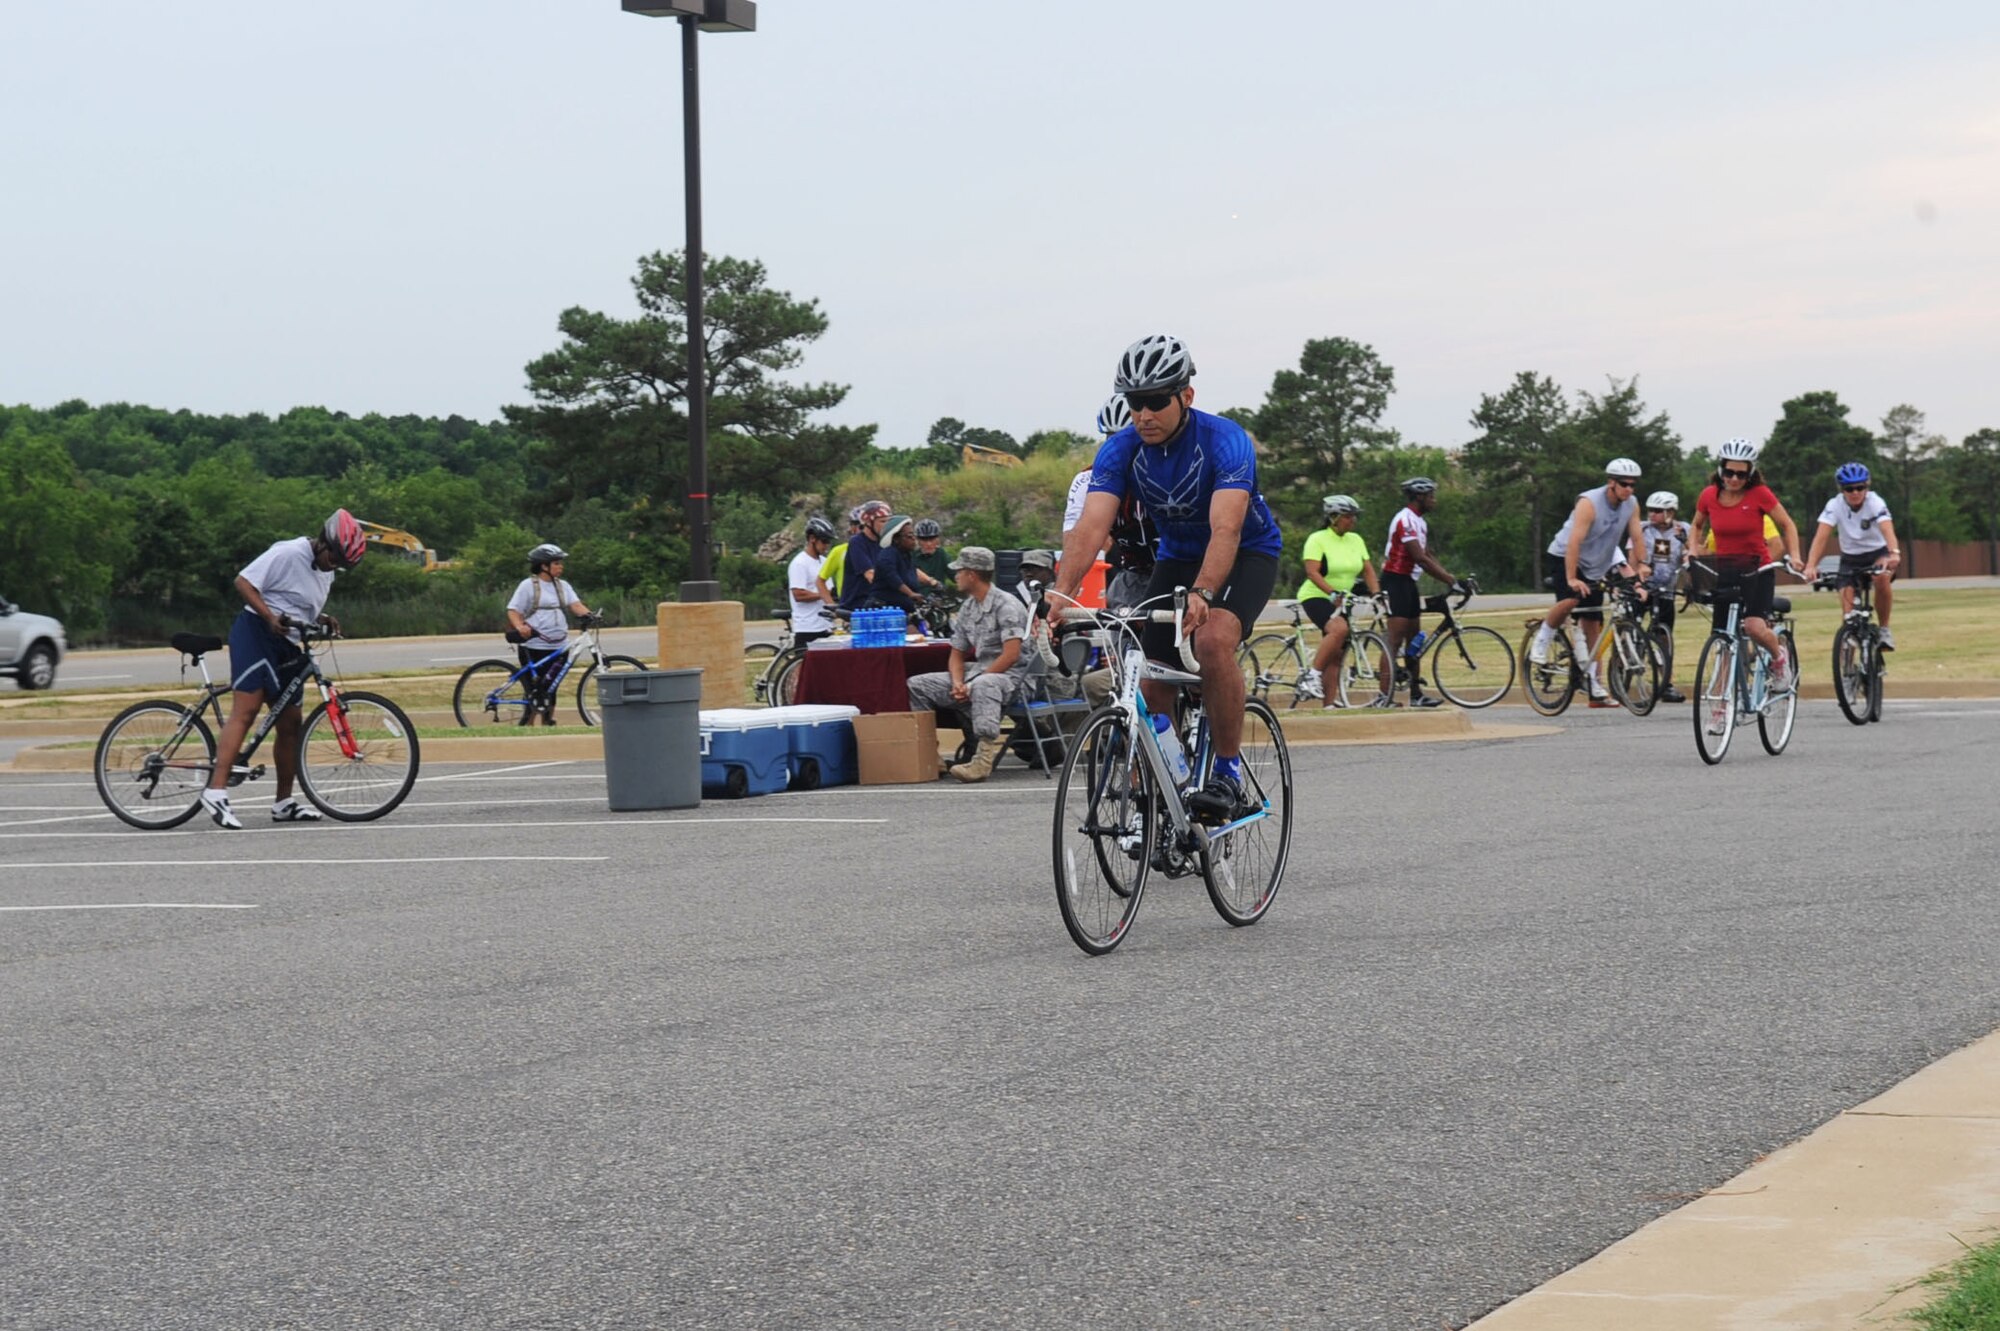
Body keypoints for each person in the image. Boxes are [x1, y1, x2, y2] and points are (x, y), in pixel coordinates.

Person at [1051, 333, 1283, 821]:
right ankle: (1176, 780)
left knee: (1214, 640)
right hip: (1176, 556)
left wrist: (1203, 592)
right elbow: (1092, 527)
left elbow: (1227, 528)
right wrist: (1060, 593)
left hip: (1244, 553)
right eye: (1134, 403)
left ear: (1187, 397)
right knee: (1152, 680)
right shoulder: (1121, 450)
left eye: (1156, 401)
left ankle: (1226, 774)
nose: (1144, 414)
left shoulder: (1226, 440)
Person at [199, 509, 366, 829]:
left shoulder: (326, 568)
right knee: (246, 709)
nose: (336, 566)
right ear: (323, 542)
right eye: (335, 559)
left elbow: (295, 601)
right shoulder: (288, 553)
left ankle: (284, 803)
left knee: (291, 723)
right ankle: (215, 791)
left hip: (287, 642)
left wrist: (322, 618)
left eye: (342, 564)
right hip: (256, 633)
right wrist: (269, 617)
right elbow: (244, 582)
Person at [1685, 438, 1805, 712]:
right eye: (1729, 472)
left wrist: (1795, 555)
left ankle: (1779, 659)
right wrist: (1693, 550)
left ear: (1750, 473)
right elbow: (1696, 525)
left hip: (1757, 570)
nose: (1734, 478)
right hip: (1724, 571)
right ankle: (1719, 709)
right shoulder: (1709, 495)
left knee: (1753, 626)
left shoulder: (1760, 494)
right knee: (1722, 637)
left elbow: (1787, 524)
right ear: (1720, 469)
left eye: (1741, 473)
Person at [1527, 459, 1651, 707]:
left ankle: (1593, 683)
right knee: (1570, 600)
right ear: (1611, 483)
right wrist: (1572, 578)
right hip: (1566, 555)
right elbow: (1574, 541)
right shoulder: (1589, 503)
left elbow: (1637, 536)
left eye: (1633, 485)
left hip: (1597, 561)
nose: (1629, 489)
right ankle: (1543, 638)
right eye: (1624, 484)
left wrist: (1642, 568)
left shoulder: (1632, 504)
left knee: (1593, 622)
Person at [906, 546, 1029, 783]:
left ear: (972, 574)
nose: (956, 576)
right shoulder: (968, 607)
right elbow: (956, 653)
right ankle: (931, 755)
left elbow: (1012, 654)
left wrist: (971, 684)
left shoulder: (1007, 605)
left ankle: (982, 759)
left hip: (1015, 678)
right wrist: (958, 682)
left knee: (985, 684)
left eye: (959, 571)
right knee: (918, 684)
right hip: (980, 672)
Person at [1372, 478, 1465, 709]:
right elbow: (1420, 558)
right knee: (1394, 641)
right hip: (1394, 581)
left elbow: (1428, 553)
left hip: (1409, 583)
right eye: (1431, 496)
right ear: (1419, 497)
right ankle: (1384, 696)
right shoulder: (1405, 519)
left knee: (1414, 640)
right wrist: (1449, 580)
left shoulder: (1419, 522)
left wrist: (1452, 577)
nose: (1434, 500)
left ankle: (1416, 694)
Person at [1800, 462, 1901, 649]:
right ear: (1842, 490)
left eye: (1860, 487)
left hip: (1878, 553)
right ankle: (1847, 664)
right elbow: (1822, 535)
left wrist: (1894, 553)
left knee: (1881, 578)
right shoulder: (1834, 505)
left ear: (1867, 487)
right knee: (1848, 616)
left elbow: (1887, 529)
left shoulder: (1875, 502)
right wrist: (1811, 565)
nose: (1855, 493)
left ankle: (1884, 629)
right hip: (1850, 557)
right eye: (1849, 489)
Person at [1295, 495, 1381, 705]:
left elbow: (1368, 570)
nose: (1353, 521)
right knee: (1339, 629)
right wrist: (1332, 593)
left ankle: (1329, 705)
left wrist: (1377, 593)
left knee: (1337, 653)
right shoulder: (1317, 539)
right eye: (1348, 516)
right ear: (1333, 517)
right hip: (1316, 595)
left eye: (1354, 517)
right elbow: (1312, 573)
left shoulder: (1356, 540)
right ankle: (1312, 676)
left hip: (1343, 599)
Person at [507, 543, 596, 725]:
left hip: (558, 644)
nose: (561, 567)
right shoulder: (528, 585)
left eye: (560, 563)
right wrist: (519, 626)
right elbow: (513, 610)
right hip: (534, 645)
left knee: (551, 686)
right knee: (534, 687)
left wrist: (591, 616)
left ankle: (547, 722)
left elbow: (575, 605)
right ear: (543, 566)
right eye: (556, 563)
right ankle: (528, 724)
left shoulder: (563, 586)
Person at [1630, 491, 1690, 703]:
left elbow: (1692, 554)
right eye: (1651, 510)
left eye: (1658, 511)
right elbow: (1632, 559)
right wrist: (1636, 581)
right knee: (1630, 630)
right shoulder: (1642, 529)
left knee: (1664, 636)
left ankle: (1665, 683)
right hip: (1642, 587)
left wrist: (1687, 552)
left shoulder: (1684, 529)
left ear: (1671, 512)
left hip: (1666, 590)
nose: (1653, 514)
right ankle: (1621, 676)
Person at [788, 518, 838, 648]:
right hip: (808, 627)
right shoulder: (799, 563)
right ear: (812, 539)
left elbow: (830, 591)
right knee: (803, 667)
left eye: (829, 542)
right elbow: (798, 594)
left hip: (826, 625)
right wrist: (823, 594)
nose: (827, 545)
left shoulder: (824, 561)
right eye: (824, 541)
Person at [837, 501, 894, 612]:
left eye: (889, 521)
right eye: (883, 521)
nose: (887, 525)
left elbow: (907, 568)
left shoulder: (886, 543)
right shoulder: (857, 543)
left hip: (877, 604)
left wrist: (932, 582)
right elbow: (870, 575)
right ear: (868, 522)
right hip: (857, 607)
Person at [868, 514, 925, 613]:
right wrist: (910, 593)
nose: (913, 539)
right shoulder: (887, 554)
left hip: (903, 608)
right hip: (883, 610)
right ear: (896, 539)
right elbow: (892, 577)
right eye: (909, 536)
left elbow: (912, 581)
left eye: (913, 535)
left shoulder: (907, 556)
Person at [817, 507, 863, 608]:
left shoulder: (879, 548)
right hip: (850, 608)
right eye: (862, 527)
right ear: (853, 528)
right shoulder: (839, 551)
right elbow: (820, 581)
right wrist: (832, 606)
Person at [912, 519, 950, 589]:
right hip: (914, 595)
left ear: (937, 539)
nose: (929, 544)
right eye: (924, 540)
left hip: (937, 596)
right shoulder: (911, 555)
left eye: (932, 539)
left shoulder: (941, 554)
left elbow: (955, 575)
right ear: (918, 540)